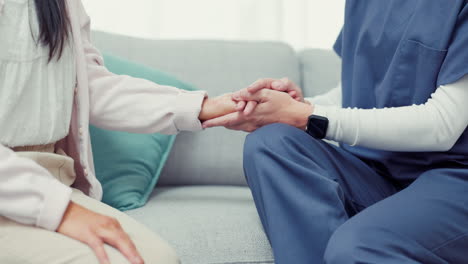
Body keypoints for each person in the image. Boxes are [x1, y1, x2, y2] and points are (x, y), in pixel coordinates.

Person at [204, 1, 468, 263]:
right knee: (270, 141)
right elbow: (355, 89)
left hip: (454, 181)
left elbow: (444, 124)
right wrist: (296, 108)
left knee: (358, 247)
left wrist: (308, 116)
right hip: (378, 173)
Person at [0, 0, 237, 263]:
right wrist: (61, 210)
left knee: (159, 258)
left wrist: (208, 108)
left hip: (53, 180)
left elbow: (89, 88)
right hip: (11, 191)